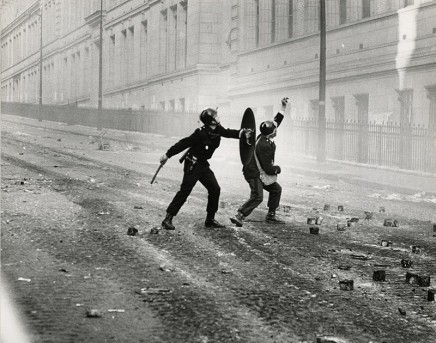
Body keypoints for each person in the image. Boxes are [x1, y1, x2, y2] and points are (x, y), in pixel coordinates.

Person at [159, 108, 250, 230]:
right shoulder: (200, 133)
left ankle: (210, 220)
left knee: (215, 189)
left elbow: (229, 133)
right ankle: (167, 219)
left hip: (203, 164)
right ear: (210, 121)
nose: (218, 117)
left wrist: (242, 133)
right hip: (193, 163)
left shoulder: (218, 129)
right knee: (185, 191)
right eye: (215, 116)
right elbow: (184, 143)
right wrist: (167, 155)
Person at [230, 97, 288, 227]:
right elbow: (267, 168)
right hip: (253, 172)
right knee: (257, 196)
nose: (276, 129)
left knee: (276, 189)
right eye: (275, 129)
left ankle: (271, 215)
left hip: (258, 170)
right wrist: (277, 169)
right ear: (271, 133)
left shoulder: (263, 135)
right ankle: (239, 215)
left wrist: (283, 107)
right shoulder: (264, 145)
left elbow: (276, 121)